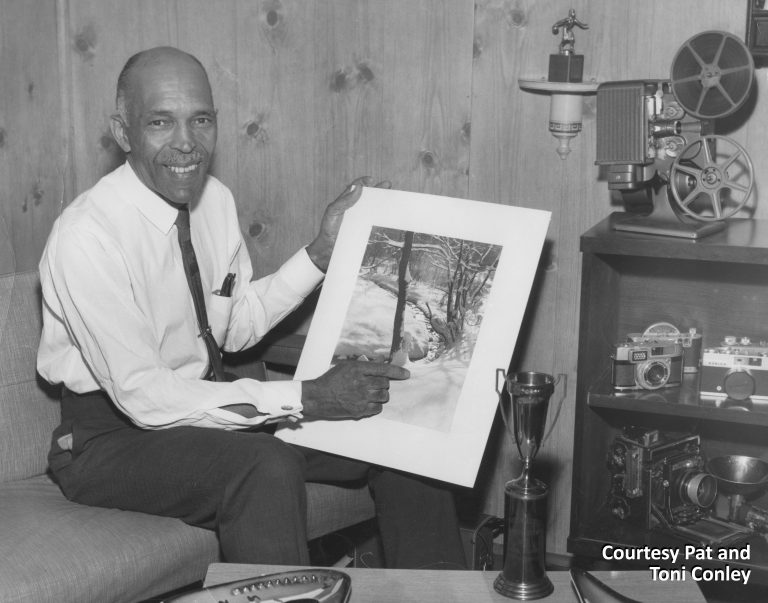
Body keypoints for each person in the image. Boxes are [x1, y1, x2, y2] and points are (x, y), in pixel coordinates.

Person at [37, 46, 466, 569]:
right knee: (261, 465)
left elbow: (236, 327)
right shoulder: (86, 235)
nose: (186, 143)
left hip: (203, 410)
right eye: (160, 123)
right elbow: (144, 397)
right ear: (124, 133)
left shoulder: (213, 200)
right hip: (110, 440)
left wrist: (320, 253)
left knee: (403, 437)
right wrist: (305, 397)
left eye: (201, 120)